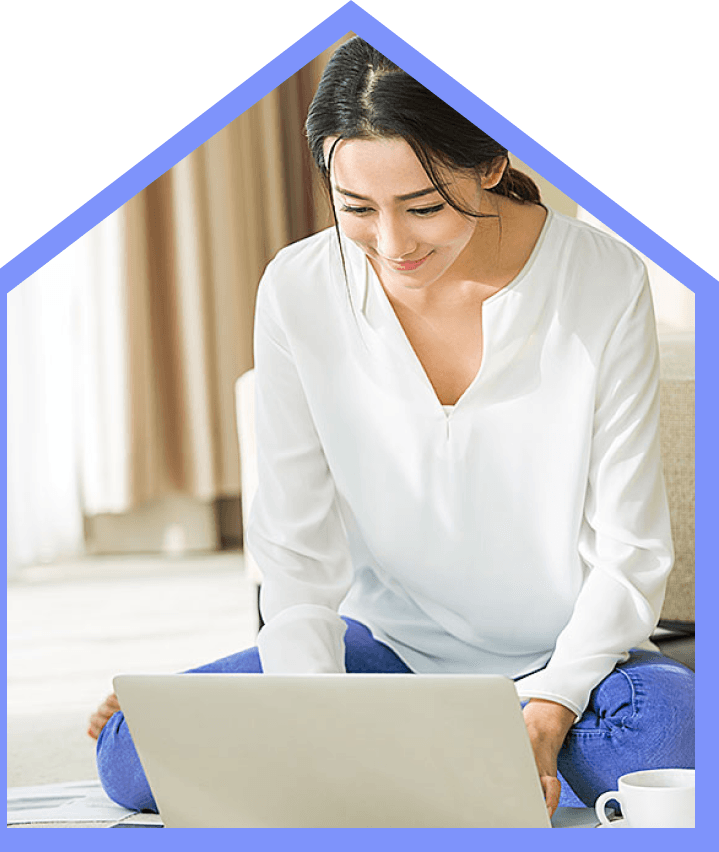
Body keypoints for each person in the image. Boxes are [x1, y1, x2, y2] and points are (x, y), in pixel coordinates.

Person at [90, 37, 695, 818]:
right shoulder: (298, 290)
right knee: (132, 754)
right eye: (355, 210)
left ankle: (442, 753)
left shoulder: (599, 280)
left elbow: (631, 553)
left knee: (670, 735)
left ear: (488, 162)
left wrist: (549, 708)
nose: (392, 244)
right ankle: (429, 754)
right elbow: (296, 555)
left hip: (567, 665)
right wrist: (319, 713)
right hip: (387, 659)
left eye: (423, 207)